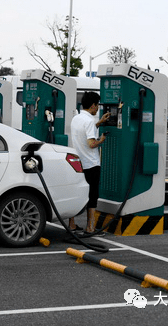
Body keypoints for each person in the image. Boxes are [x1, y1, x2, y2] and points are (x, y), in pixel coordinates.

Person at [69, 91, 110, 236]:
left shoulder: (77, 118)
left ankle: (72, 224)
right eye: (97, 105)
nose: (98, 108)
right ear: (93, 105)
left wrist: (99, 123)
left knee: (77, 193)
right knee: (92, 196)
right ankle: (90, 228)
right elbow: (91, 143)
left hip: (78, 163)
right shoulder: (89, 121)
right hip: (91, 164)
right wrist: (102, 140)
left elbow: (84, 132)